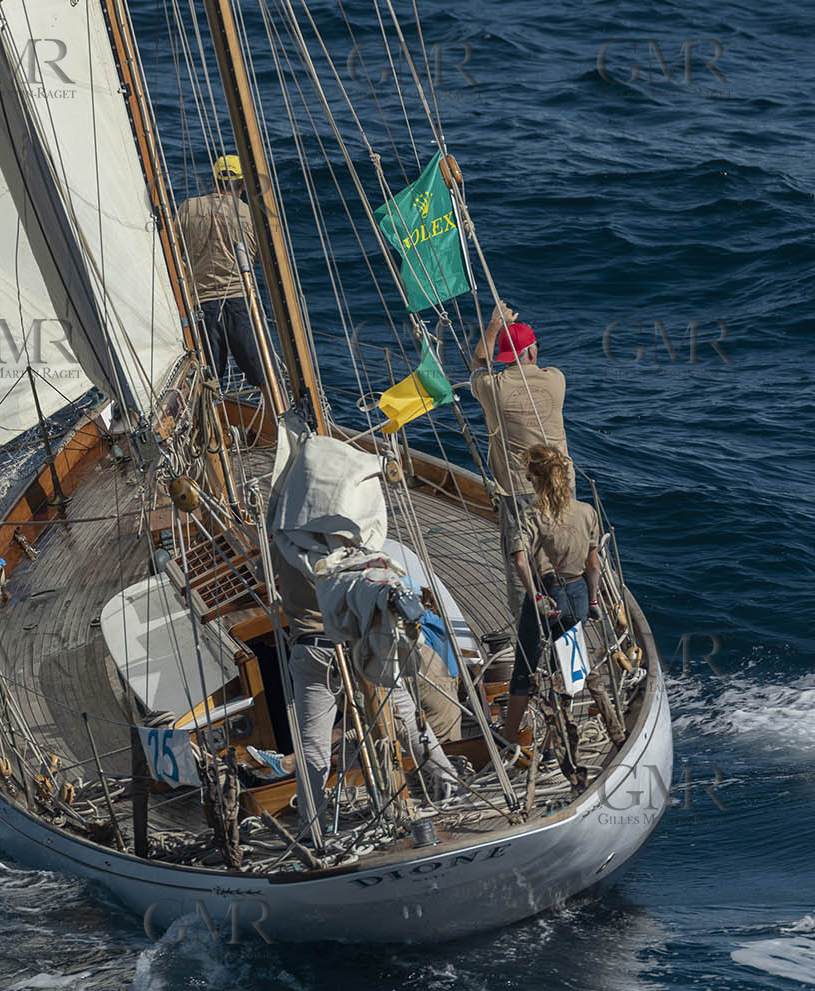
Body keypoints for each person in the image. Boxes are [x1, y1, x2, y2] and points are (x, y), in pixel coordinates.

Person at [249, 554, 458, 842]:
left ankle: (312, 827)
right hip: (361, 643)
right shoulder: (345, 542)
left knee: (313, 744)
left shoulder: (285, 543)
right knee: (406, 717)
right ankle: (450, 784)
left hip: (313, 648)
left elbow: (261, 572)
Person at [503, 445, 625, 765]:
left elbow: (520, 561)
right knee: (566, 672)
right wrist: (593, 600)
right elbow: (594, 565)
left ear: (536, 479)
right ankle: (553, 745)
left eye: (530, 477)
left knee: (525, 668)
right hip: (579, 594)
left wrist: (537, 598)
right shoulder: (586, 512)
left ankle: (508, 739)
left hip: (547, 596)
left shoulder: (532, 515)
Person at [470, 302, 572, 614]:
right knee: (562, 551)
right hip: (562, 483)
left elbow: (479, 361)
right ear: (531, 351)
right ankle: (570, 608)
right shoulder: (556, 379)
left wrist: (494, 325)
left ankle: (527, 619)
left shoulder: (494, 388)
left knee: (520, 558)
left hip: (519, 490)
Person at [177, 155, 266, 389]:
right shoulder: (250, 214)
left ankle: (210, 411)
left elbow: (172, 254)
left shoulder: (189, 208)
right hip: (241, 303)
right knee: (266, 379)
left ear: (213, 180)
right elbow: (258, 258)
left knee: (208, 384)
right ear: (242, 185)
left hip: (202, 304)